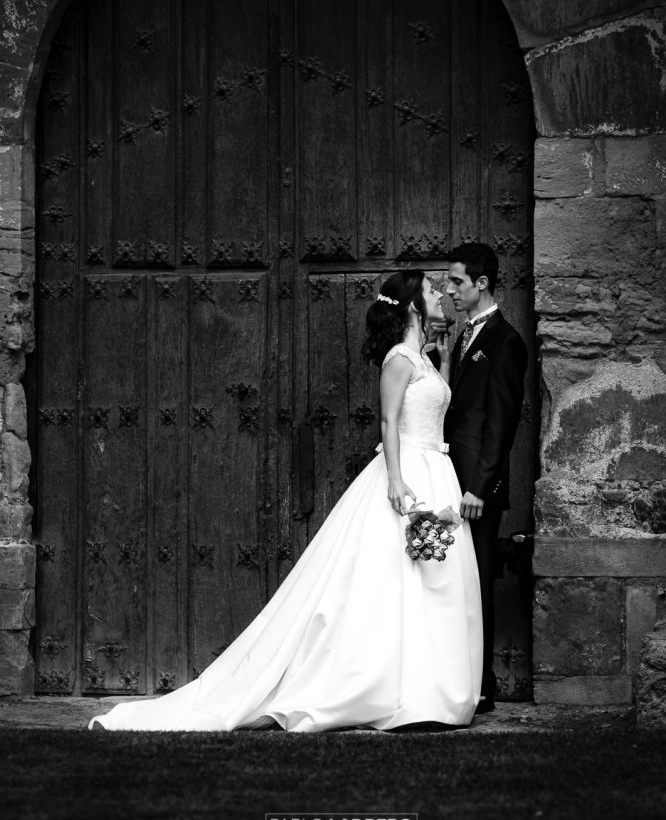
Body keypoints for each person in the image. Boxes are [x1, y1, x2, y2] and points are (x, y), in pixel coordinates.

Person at [89, 270, 483, 732]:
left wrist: (444, 367)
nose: (440, 295)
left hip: (438, 471)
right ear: (415, 305)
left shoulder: (424, 357)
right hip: (410, 473)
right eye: (432, 290)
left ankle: (428, 689)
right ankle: (387, 688)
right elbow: (388, 422)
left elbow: (434, 408)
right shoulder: (399, 358)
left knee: (431, 579)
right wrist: (396, 480)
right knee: (394, 580)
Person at [439, 243, 528, 714]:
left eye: (456, 282)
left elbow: (502, 421)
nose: (448, 289)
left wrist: (482, 485)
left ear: (482, 284)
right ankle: (456, 678)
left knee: (476, 584)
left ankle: (482, 686)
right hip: (450, 478)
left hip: (475, 486)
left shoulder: (505, 342)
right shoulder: (464, 336)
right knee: (454, 582)